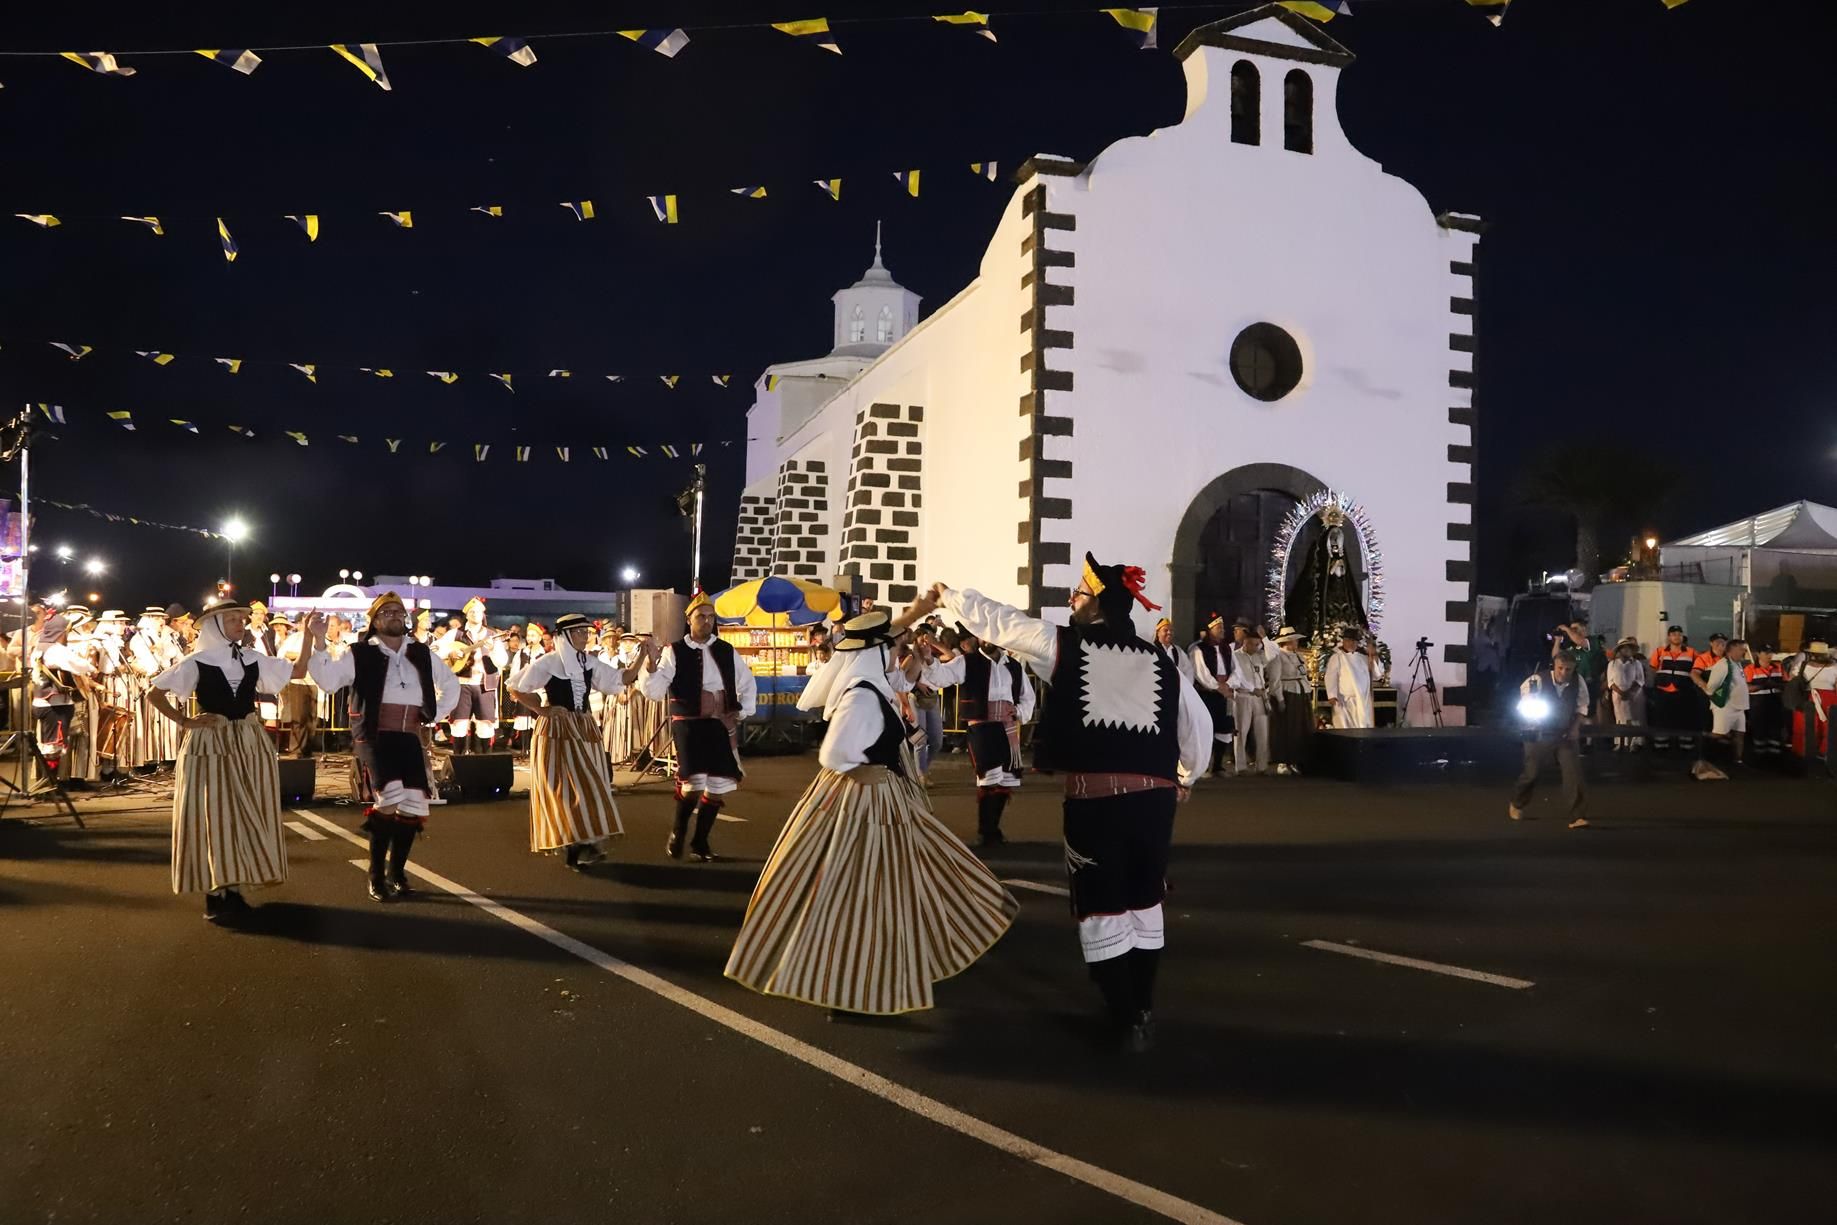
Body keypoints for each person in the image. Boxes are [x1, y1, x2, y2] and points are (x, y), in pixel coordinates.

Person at [918, 553, 1211, 1051]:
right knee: (1145, 899)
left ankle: (1122, 1015)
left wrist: (949, 596)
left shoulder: (1068, 646)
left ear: (1094, 603)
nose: (1071, 600)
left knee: (1103, 906)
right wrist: (1185, 774)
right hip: (1155, 802)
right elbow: (1196, 725)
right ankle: (1141, 1007)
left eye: (1078, 594)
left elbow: (1004, 624)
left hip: (1097, 802)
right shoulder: (1160, 661)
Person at [726, 608, 1019, 1015]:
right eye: (891, 646)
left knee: (882, 885)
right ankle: (852, 982)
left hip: (880, 795)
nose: (897, 651)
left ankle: (868, 975)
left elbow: (905, 677)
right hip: (865, 801)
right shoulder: (863, 693)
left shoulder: (873, 679)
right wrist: (866, 771)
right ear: (876, 650)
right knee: (866, 890)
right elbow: (834, 753)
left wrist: (917, 622)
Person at [146, 602, 308, 920]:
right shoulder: (197, 660)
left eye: (241, 619)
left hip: (248, 741)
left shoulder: (250, 657)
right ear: (215, 625)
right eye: (232, 619)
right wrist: (185, 721)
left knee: (248, 811)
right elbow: (154, 693)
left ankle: (233, 888)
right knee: (213, 813)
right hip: (211, 742)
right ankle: (215, 891)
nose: (240, 624)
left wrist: (308, 637)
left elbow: (298, 672)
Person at [306, 594, 460, 902]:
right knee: (389, 797)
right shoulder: (359, 653)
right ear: (375, 621)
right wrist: (319, 641)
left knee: (415, 803)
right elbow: (327, 680)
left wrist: (432, 714)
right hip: (374, 737)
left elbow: (451, 685)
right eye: (386, 612)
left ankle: (397, 874)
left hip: (409, 735)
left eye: (398, 612)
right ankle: (376, 876)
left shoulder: (421, 653)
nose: (394, 616)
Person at [508, 613, 654, 870]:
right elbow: (516, 688)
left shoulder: (589, 662)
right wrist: (543, 710)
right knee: (566, 789)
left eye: (586, 632)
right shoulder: (548, 662)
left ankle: (582, 844)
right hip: (557, 730)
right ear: (565, 635)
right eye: (579, 632)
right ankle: (576, 846)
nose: (585, 637)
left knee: (593, 783)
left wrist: (642, 655)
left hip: (583, 727)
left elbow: (622, 679)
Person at [638, 591, 758, 861]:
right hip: (688, 723)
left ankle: (700, 842)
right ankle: (678, 832)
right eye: (700, 616)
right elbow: (655, 691)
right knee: (693, 782)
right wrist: (651, 666)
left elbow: (747, 681)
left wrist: (744, 709)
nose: (706, 620)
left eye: (710, 616)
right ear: (688, 619)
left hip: (719, 722)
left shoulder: (726, 650)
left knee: (717, 783)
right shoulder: (675, 651)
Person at [921, 625, 1034, 847]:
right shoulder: (967, 661)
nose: (986, 638)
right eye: (983, 634)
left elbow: (1027, 697)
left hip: (1007, 728)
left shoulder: (1014, 666)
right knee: (988, 777)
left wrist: (1019, 711)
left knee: (1005, 779)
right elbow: (942, 676)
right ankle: (986, 831)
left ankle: (993, 829)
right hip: (982, 727)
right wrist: (929, 660)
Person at [1508, 650, 1590, 830]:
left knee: (1573, 773)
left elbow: (1582, 707)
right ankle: (1518, 801)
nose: (1564, 673)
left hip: (1565, 733)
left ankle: (1577, 816)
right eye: (1561, 668)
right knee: (1532, 772)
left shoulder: (1578, 682)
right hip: (1539, 733)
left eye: (1568, 669)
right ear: (1555, 666)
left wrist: (1576, 727)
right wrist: (1532, 719)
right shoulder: (1536, 680)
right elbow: (1525, 704)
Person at [436, 597, 508, 755]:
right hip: (461, 684)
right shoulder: (455, 634)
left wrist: (493, 650)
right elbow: (434, 649)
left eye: (478, 611)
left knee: (486, 725)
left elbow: (503, 661)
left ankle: (485, 763)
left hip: (484, 684)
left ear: (483, 614)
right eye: (471, 611)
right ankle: (458, 764)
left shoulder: (492, 635)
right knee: (459, 724)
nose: (475, 614)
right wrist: (450, 653)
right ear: (466, 615)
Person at [1694, 637, 1750, 778]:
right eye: (1741, 649)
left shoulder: (1737, 665)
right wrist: (1715, 698)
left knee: (1739, 734)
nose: (1743, 652)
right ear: (1731, 650)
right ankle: (1705, 759)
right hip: (1725, 706)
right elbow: (1711, 686)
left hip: (1739, 706)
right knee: (1718, 734)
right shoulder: (1722, 665)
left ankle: (1738, 761)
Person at [1189, 613, 1235, 775]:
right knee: (1206, 729)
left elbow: (1236, 670)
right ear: (1210, 630)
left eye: (1222, 627)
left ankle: (1218, 766)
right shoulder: (1198, 649)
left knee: (1224, 728)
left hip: (1224, 693)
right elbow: (1201, 673)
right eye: (1219, 628)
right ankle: (1203, 767)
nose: (1222, 630)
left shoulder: (1227, 648)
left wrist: (1228, 684)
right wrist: (1217, 686)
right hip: (1207, 695)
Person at [905, 624, 947, 786]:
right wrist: (916, 684)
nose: (924, 644)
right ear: (915, 641)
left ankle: (921, 769)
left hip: (932, 699)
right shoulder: (911, 658)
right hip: (915, 699)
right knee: (920, 739)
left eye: (927, 640)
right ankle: (920, 774)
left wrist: (934, 644)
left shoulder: (933, 658)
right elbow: (899, 678)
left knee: (937, 741)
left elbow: (950, 655)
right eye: (921, 641)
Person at [1227, 624, 1272, 776]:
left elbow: (1274, 654)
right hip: (1243, 697)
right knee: (1241, 732)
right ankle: (1241, 766)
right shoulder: (1235, 656)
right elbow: (1234, 678)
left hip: (1260, 698)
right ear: (1245, 643)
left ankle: (1262, 766)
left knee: (1262, 731)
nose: (1254, 647)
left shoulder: (1259, 655)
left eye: (1256, 644)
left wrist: (1265, 638)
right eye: (1251, 644)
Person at [1267, 626, 1312, 776]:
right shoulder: (1278, 657)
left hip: (1301, 691)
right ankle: (1282, 760)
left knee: (1301, 727)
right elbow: (1275, 680)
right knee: (1287, 727)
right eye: (1293, 641)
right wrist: (1280, 699)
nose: (1296, 643)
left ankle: (1297, 759)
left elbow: (1304, 674)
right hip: (1288, 693)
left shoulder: (1299, 656)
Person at [1787, 641, 1835, 776]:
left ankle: (1804, 759)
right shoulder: (1835, 667)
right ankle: (1824, 756)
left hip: (1808, 700)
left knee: (1806, 729)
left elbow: (1792, 679)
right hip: (1829, 701)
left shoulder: (1802, 666)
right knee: (1828, 730)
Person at [1648, 625, 1696, 752]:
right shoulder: (1660, 651)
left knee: (1684, 719)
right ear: (1669, 637)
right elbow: (1652, 669)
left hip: (1683, 691)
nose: (1677, 637)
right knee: (1662, 719)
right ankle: (1661, 746)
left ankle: (1685, 747)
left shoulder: (1692, 652)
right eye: (1674, 634)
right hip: (1663, 691)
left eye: (1679, 634)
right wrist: (1655, 685)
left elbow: (1697, 670)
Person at [1324, 627, 1380, 729]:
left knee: (1361, 726)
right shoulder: (1337, 657)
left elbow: (1376, 675)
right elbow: (1331, 676)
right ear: (1344, 641)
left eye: (1354, 641)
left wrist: (1373, 655)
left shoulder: (1363, 658)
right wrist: (1332, 695)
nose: (1351, 643)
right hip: (1344, 700)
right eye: (1349, 640)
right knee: (1345, 727)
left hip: (1362, 700)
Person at [1744, 645, 1786, 763]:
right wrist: (1762, 686)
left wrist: (1777, 685)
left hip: (1775, 704)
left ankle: (1775, 758)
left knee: (1775, 731)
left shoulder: (1778, 667)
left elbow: (1786, 684)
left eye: (1770, 653)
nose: (1769, 656)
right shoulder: (1750, 669)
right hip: (1758, 705)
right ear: (1758, 654)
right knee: (1759, 731)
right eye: (1766, 653)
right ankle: (1760, 758)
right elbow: (1746, 688)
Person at [1605, 635, 1647, 751]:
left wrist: (1629, 692)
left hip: (1635, 695)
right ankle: (1620, 742)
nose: (1627, 650)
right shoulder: (1612, 664)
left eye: (1629, 648)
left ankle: (1634, 742)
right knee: (1620, 718)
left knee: (1634, 718)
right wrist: (1620, 692)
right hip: (1618, 695)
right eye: (1624, 648)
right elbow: (1611, 681)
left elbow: (1640, 680)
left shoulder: (1636, 663)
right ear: (1619, 650)